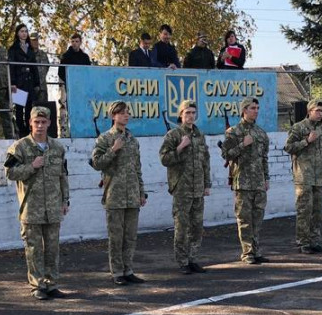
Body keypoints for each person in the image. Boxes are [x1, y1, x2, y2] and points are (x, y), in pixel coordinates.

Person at [4, 106, 70, 300]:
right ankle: (37, 285)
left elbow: (63, 176)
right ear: (31, 123)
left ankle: (51, 284)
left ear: (49, 123)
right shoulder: (20, 147)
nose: (40, 126)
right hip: (31, 207)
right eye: (36, 122)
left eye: (43, 122)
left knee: (52, 248)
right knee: (34, 249)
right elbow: (10, 173)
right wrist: (31, 166)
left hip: (53, 207)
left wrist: (65, 200)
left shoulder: (57, 148)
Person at [90, 101, 147, 285]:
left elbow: (137, 168)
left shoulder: (133, 139)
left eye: (127, 112)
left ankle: (128, 269)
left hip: (131, 195)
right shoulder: (105, 138)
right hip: (114, 194)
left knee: (130, 236)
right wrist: (113, 150)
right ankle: (117, 272)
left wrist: (141, 191)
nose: (125, 115)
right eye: (121, 113)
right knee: (116, 237)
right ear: (113, 116)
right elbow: (97, 163)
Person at [159, 100, 212, 274]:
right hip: (182, 188)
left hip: (197, 188)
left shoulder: (199, 135)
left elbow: (205, 160)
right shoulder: (173, 135)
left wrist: (206, 184)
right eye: (187, 112)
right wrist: (180, 147)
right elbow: (164, 159)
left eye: (193, 113)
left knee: (197, 227)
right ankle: (182, 261)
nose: (190, 116)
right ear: (180, 115)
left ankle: (193, 259)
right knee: (182, 227)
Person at [222, 96, 270, 264]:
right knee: (244, 219)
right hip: (242, 182)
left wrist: (266, 178)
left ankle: (256, 250)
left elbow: (264, 158)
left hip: (258, 182)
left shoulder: (261, 133)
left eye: (257, 108)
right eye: (252, 108)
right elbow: (226, 155)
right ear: (244, 110)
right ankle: (247, 252)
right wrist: (243, 144)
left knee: (258, 217)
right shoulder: (234, 132)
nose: (255, 111)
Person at [284, 98, 322, 253]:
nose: (321, 114)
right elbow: (288, 147)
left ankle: (314, 240)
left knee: (317, 211)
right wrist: (306, 140)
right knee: (304, 210)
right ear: (309, 111)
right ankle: (303, 242)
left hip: (319, 176)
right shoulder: (298, 127)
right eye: (317, 111)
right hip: (303, 176)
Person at [7, 23, 40, 138]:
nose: (24, 33)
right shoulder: (13, 49)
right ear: (17, 33)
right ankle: (21, 130)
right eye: (22, 31)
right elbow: (11, 67)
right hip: (19, 82)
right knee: (20, 108)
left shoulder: (30, 48)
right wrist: (13, 83)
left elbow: (34, 66)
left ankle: (30, 130)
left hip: (30, 82)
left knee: (30, 107)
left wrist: (37, 83)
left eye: (26, 31)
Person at [58, 33, 92, 137]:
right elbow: (61, 72)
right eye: (72, 42)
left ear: (80, 42)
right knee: (67, 108)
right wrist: (69, 81)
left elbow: (88, 72)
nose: (74, 44)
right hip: (69, 87)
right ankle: (65, 132)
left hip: (81, 88)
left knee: (82, 108)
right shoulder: (66, 56)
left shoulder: (85, 57)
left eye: (76, 41)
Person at [30, 31, 51, 105]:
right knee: (30, 112)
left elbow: (47, 67)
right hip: (31, 88)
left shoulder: (43, 54)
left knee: (43, 110)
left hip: (42, 88)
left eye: (36, 40)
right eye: (33, 40)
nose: (35, 42)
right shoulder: (26, 54)